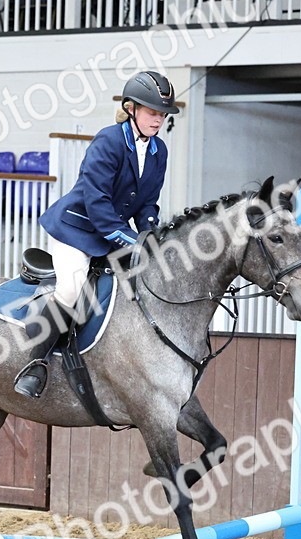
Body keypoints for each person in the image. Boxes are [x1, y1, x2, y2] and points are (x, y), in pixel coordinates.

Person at [14, 70, 179, 398]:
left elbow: (148, 204)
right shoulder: (109, 140)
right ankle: (35, 363)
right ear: (131, 108)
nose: (158, 120)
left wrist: (151, 235)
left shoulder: (158, 151)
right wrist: (132, 241)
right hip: (77, 229)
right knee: (72, 288)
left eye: (162, 115)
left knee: (142, 282)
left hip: (112, 233)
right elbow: (97, 202)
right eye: (152, 112)